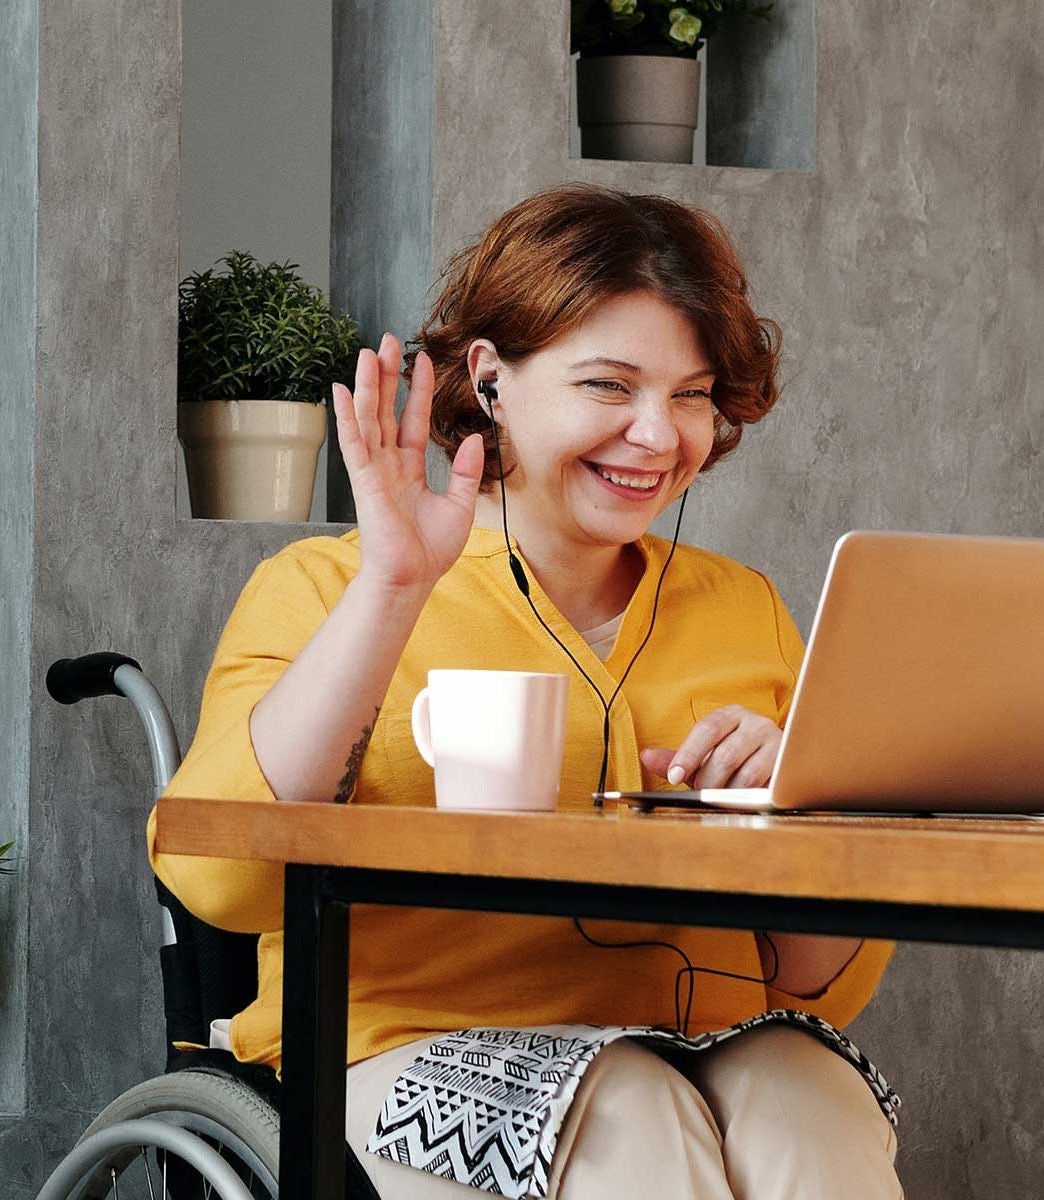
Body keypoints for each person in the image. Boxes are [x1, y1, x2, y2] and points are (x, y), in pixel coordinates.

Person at [148, 183, 902, 1198]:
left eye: (689, 393)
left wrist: (803, 809)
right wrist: (393, 588)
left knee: (809, 1099)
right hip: (402, 1050)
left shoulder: (746, 611)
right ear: (492, 379)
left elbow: (814, 980)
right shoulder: (324, 590)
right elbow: (222, 881)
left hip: (712, 1042)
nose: (657, 435)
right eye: (609, 385)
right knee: (631, 1111)